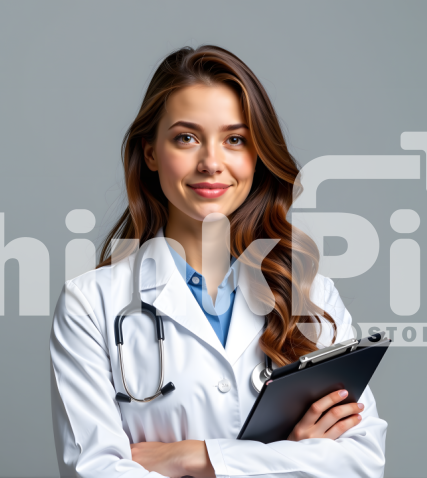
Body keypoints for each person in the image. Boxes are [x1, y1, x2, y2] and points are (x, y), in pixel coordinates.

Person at [50, 45, 387, 478]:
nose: (211, 163)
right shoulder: (90, 305)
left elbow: (361, 462)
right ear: (150, 153)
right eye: (186, 138)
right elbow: (95, 472)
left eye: (235, 140)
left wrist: (192, 456)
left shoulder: (307, 294)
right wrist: (290, 456)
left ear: (257, 155)